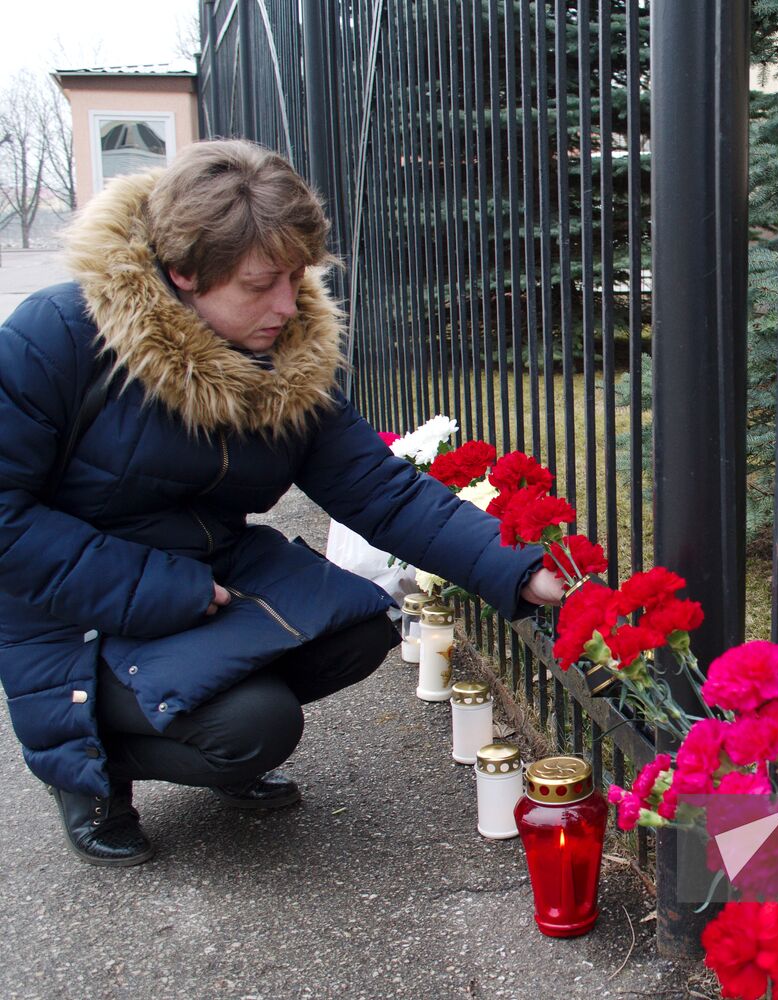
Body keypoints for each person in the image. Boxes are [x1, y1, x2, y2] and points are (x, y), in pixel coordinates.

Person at [0, 138, 564, 867]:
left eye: (297, 277)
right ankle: (92, 773)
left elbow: (379, 490)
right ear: (183, 275)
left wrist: (518, 569)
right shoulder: (61, 335)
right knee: (256, 728)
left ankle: (199, 715)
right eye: (260, 284)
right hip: (69, 608)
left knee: (358, 628)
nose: (287, 304)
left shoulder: (289, 356)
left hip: (207, 575)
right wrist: (165, 589)